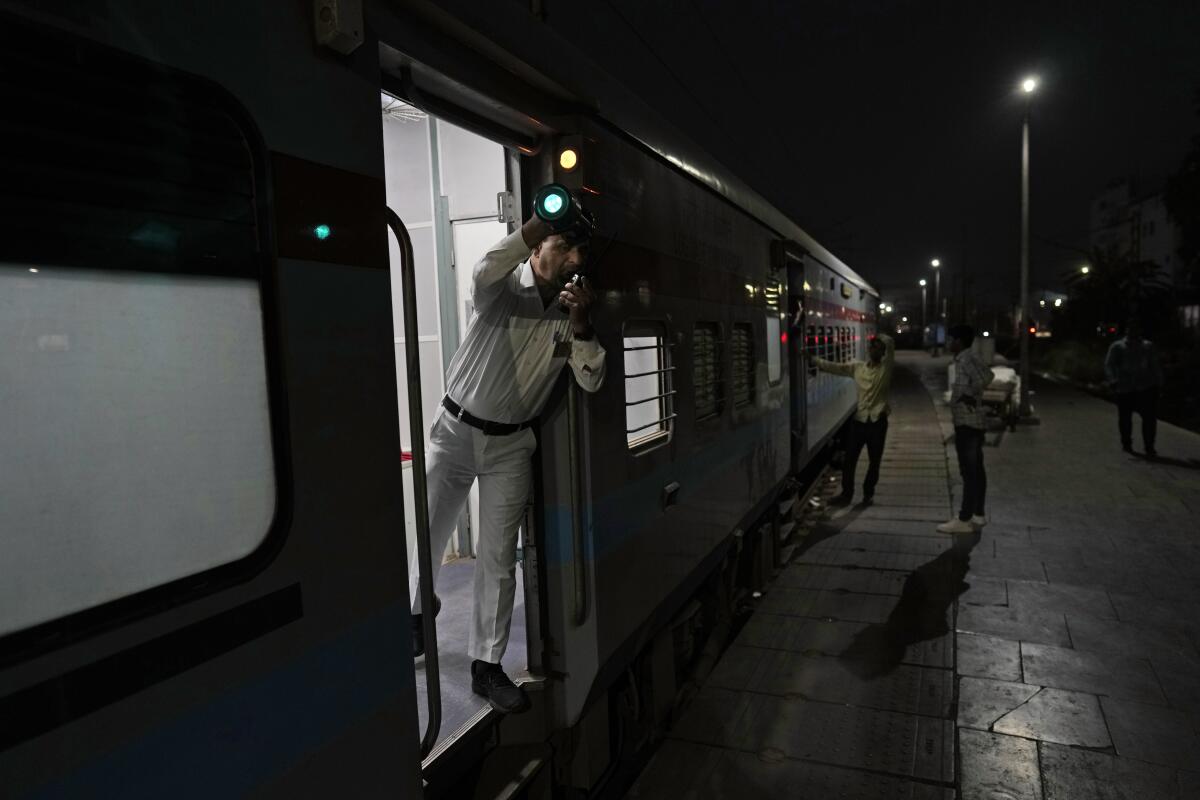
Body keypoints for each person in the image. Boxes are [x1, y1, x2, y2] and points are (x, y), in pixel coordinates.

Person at [409, 198, 606, 714]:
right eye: (562, 248)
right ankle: (414, 613)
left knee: (497, 556)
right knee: (426, 527)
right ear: (536, 247)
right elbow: (484, 267)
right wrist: (535, 225)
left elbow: (591, 378)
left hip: (511, 445)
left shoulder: (571, 313)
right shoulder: (498, 290)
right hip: (454, 431)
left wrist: (583, 326)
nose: (572, 260)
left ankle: (486, 666)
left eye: (576, 252)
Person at [814, 331, 895, 506]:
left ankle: (868, 493)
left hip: (877, 423)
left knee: (874, 462)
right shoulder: (858, 368)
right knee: (849, 461)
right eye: (872, 347)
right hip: (859, 421)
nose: (874, 350)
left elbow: (890, 342)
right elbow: (835, 367)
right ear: (869, 350)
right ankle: (846, 494)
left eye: (879, 348)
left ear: (883, 352)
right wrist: (814, 360)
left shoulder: (885, 369)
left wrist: (880, 338)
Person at [937, 324, 994, 534]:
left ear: (959, 341)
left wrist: (968, 394)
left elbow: (987, 377)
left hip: (968, 424)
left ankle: (964, 518)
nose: (948, 343)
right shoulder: (966, 358)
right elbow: (987, 376)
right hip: (970, 422)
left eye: (951, 339)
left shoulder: (966, 359)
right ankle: (978, 515)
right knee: (977, 470)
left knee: (969, 472)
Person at [1104, 318, 1163, 458]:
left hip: (1146, 387)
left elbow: (1155, 365)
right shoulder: (1117, 347)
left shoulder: (1148, 346)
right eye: (1131, 328)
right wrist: (1113, 380)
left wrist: (1159, 383)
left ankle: (1149, 446)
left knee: (1149, 419)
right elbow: (1109, 365)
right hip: (1125, 387)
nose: (1133, 331)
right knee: (1125, 418)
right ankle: (1126, 443)